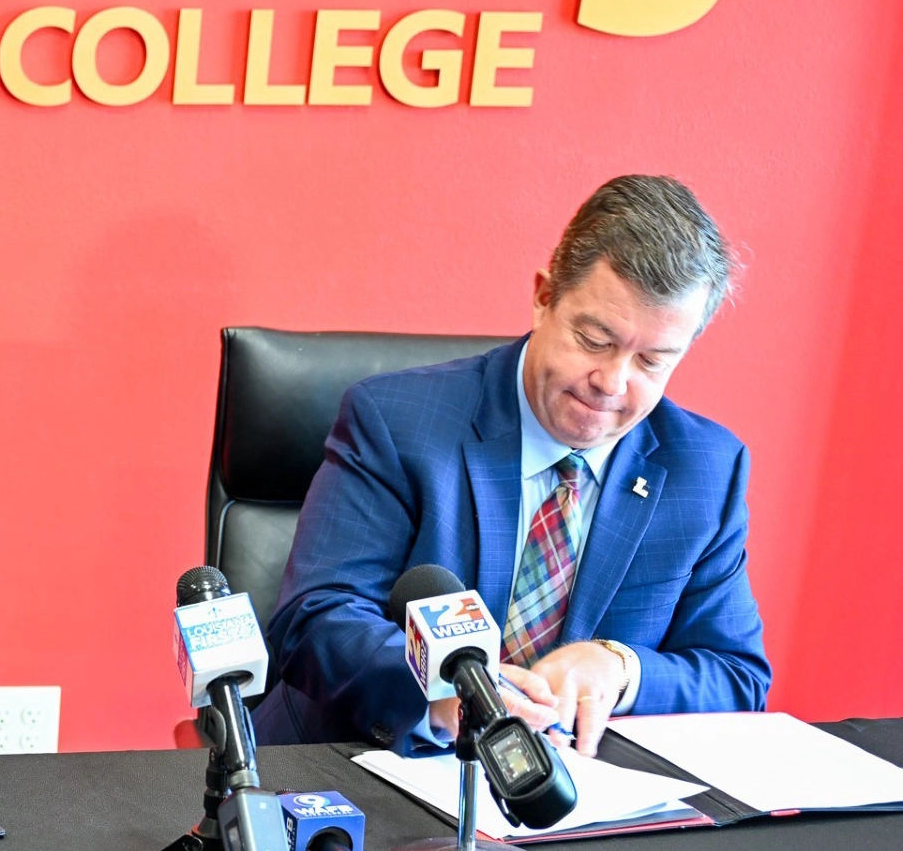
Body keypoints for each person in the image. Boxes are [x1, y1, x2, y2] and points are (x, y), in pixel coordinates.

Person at [253, 175, 770, 758]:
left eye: (652, 360)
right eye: (595, 340)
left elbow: (735, 673)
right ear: (544, 296)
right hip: (368, 770)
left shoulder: (705, 468)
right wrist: (446, 694)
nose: (613, 383)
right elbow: (314, 617)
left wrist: (621, 669)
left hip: (570, 797)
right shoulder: (397, 421)